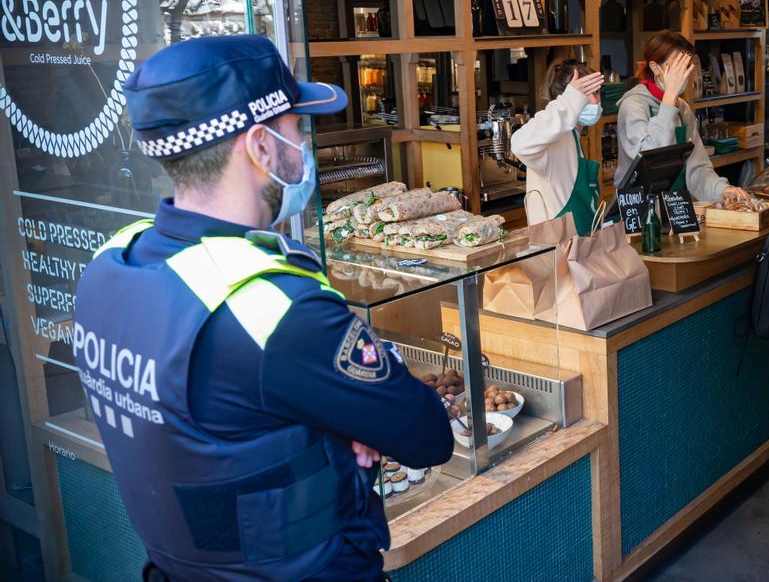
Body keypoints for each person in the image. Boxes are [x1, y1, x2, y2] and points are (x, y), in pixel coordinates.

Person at [72, 35, 454, 581]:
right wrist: (348, 422)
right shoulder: (273, 309)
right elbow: (427, 434)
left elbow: (210, 425)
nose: (304, 142)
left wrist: (330, 419)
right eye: (297, 126)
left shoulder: (112, 266)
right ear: (260, 146)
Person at [616, 30, 750, 203]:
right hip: (638, 209)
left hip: (675, 207)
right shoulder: (633, 106)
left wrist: (723, 190)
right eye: (675, 67)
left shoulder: (682, 108)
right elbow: (651, 159)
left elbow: (697, 167)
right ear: (655, 68)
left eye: (686, 67)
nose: (682, 75)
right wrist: (669, 97)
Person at [512, 62, 606, 234]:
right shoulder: (553, 140)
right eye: (586, 94)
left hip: (583, 245)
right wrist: (569, 102)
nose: (594, 101)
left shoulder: (574, 136)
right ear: (566, 98)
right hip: (558, 251)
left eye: (596, 92)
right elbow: (519, 144)